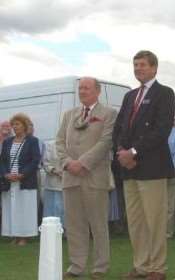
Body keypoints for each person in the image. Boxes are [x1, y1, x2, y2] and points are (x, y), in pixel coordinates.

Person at [113, 50, 175, 280]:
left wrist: (134, 152)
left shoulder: (165, 93)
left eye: (142, 65)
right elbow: (120, 127)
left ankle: (157, 268)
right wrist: (121, 152)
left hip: (152, 168)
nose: (138, 68)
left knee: (155, 220)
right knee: (136, 222)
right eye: (135, 65)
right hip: (129, 169)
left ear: (154, 68)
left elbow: (161, 130)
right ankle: (140, 266)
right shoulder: (130, 96)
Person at [56, 77, 117, 279]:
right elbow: (59, 142)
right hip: (70, 178)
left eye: (87, 88)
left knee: (98, 225)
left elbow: (106, 141)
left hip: (95, 177)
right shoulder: (68, 115)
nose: (82, 91)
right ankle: (76, 266)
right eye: (80, 88)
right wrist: (67, 163)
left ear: (97, 91)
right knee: (74, 225)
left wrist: (82, 162)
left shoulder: (108, 114)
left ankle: (100, 268)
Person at [0, 113, 40, 246]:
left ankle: (24, 236)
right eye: (13, 124)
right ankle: (14, 235)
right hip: (9, 181)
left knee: (25, 209)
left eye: (17, 124)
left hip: (25, 181)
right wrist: (6, 174)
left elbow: (35, 161)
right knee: (11, 209)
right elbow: (2, 161)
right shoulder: (7, 142)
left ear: (24, 125)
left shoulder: (32, 141)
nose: (14, 127)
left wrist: (22, 174)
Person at [42, 140, 64, 226]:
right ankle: (51, 229)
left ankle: (67, 230)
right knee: (53, 207)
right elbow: (45, 163)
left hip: (70, 182)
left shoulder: (74, 143)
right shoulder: (50, 145)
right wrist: (55, 171)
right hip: (53, 183)